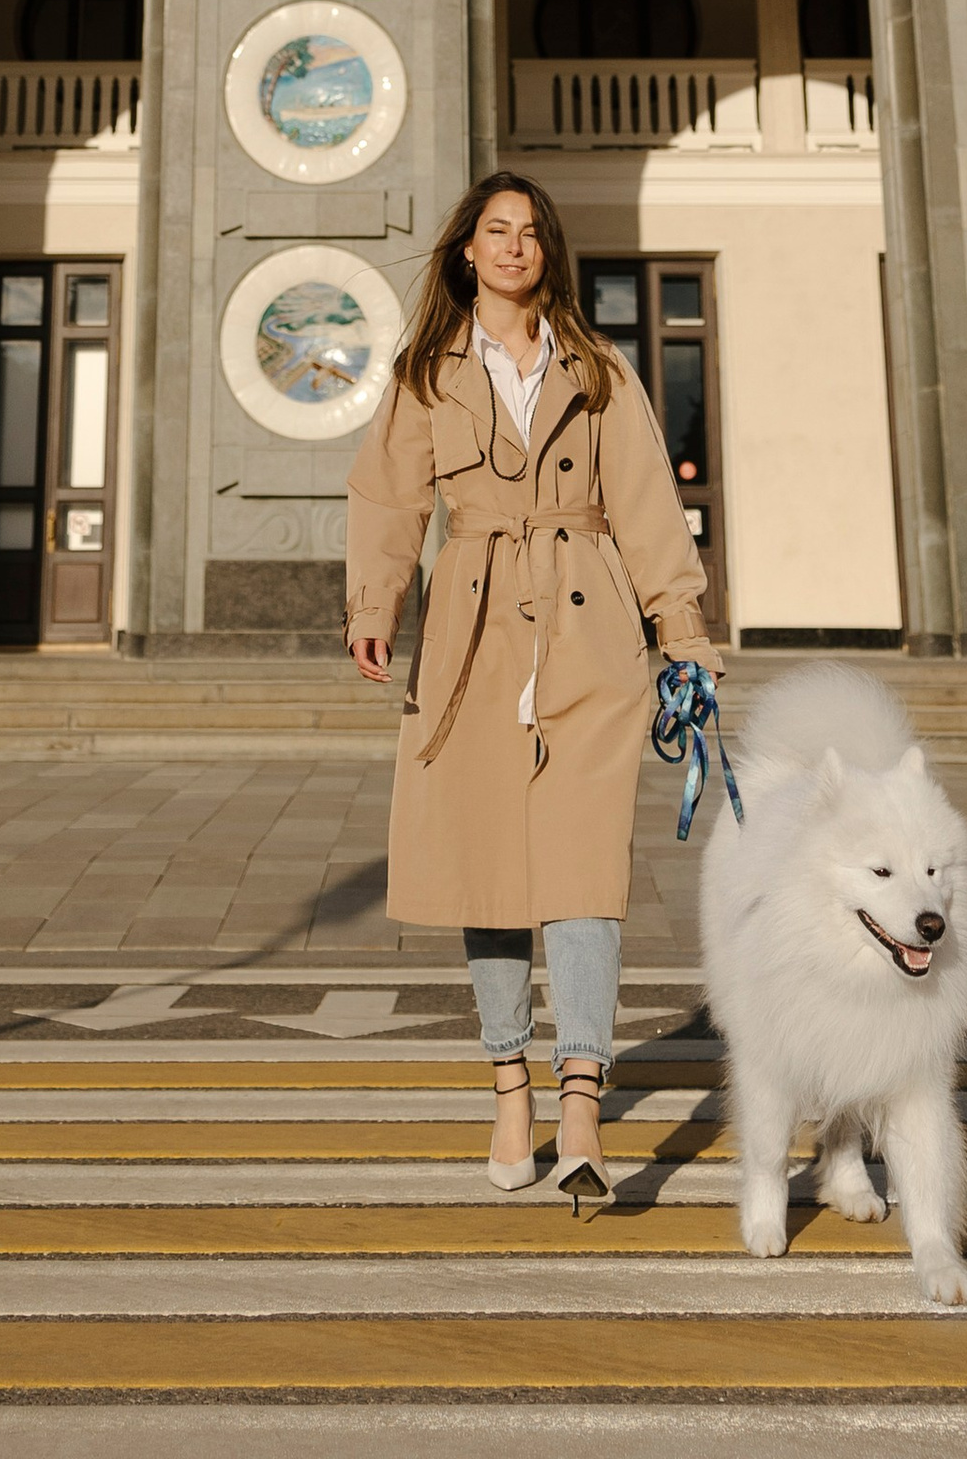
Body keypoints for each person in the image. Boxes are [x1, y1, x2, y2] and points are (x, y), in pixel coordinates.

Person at [345, 172, 717, 1196]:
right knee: (492, 873)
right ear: (466, 250)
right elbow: (387, 499)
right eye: (495, 230)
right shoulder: (426, 373)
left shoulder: (596, 368)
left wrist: (681, 630)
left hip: (589, 636)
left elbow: (644, 502)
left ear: (547, 252)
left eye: (530, 233)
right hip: (470, 639)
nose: (513, 246)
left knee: (583, 871)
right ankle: (510, 1086)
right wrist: (373, 606)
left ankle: (582, 1100)